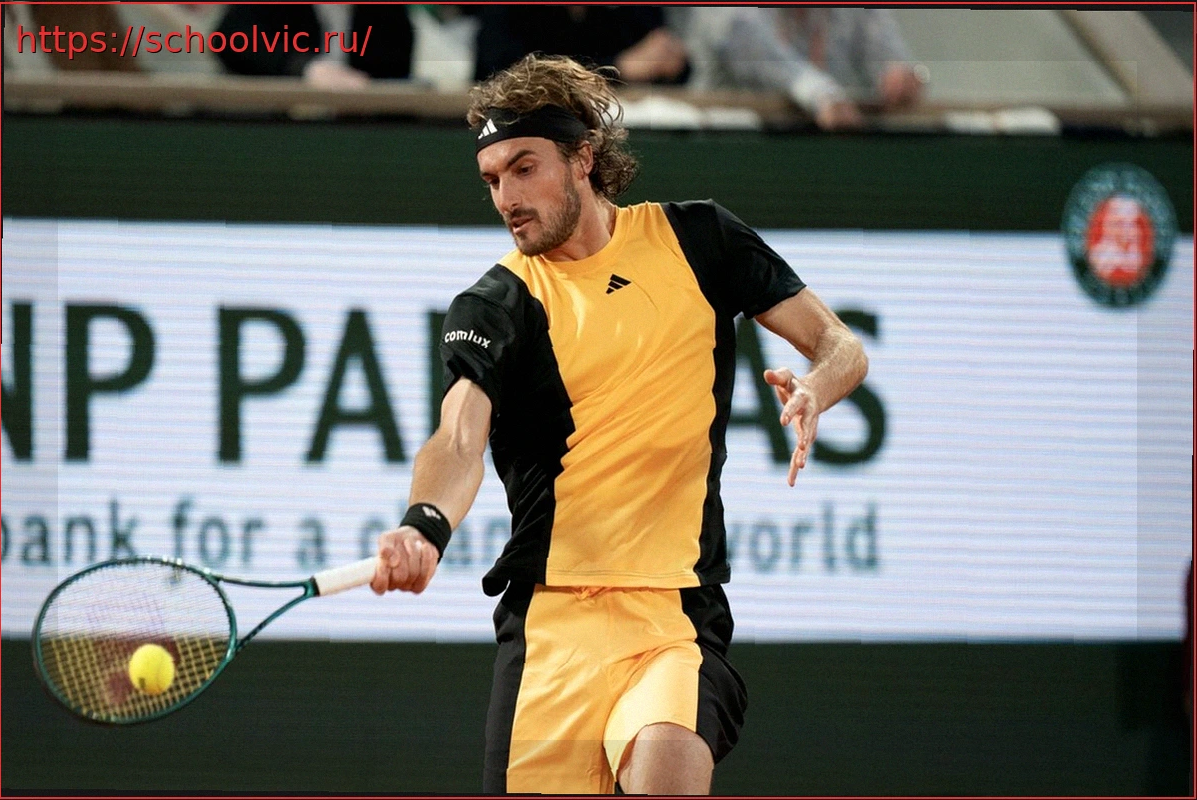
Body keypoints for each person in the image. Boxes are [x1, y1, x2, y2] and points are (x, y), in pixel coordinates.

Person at [370, 54, 868, 794]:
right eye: (492, 179)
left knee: (667, 764)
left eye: (525, 168)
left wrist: (817, 388)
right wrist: (424, 524)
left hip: (674, 617)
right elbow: (459, 437)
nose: (507, 197)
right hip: (549, 630)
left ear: (584, 157)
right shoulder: (497, 304)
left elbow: (840, 345)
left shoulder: (700, 240)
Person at [675, 7, 923, 130]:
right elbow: (756, 50)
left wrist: (903, 76)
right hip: (726, 153)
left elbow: (892, 58)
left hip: (822, 157)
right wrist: (823, 95)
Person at [470, 6, 688, 85]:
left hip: (617, 131)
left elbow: (665, 61)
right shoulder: (509, 11)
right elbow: (499, 71)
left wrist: (673, 62)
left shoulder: (624, 11)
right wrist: (617, 68)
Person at [213, 4, 412, 90]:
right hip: (272, 127)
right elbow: (230, 38)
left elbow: (395, 68)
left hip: (355, 136)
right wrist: (304, 68)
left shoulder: (385, 12)